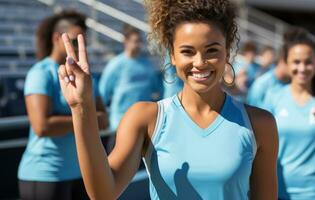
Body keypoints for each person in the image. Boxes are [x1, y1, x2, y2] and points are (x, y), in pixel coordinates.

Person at [57, 0, 278, 199]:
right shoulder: (145, 118)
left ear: (227, 52)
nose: (200, 62)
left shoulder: (260, 124)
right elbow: (103, 194)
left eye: (212, 50)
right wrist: (81, 107)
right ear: (172, 55)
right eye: (187, 51)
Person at [17, 11, 108, 200]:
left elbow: (104, 120)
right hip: (45, 174)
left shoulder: (86, 76)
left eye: (83, 42)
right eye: (74, 41)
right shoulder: (41, 73)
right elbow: (42, 126)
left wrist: (78, 117)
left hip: (81, 173)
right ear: (57, 38)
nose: (78, 47)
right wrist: (82, 115)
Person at [264, 28, 315, 199]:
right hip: (278, 191)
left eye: (308, 62)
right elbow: (261, 146)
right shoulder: (273, 96)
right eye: (296, 62)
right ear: (286, 62)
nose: (302, 68)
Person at [99, 24, 162, 131]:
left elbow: (156, 89)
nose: (138, 44)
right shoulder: (115, 64)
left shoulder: (146, 64)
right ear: (126, 41)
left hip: (143, 121)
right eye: (135, 41)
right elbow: (102, 93)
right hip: (120, 122)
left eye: (140, 41)